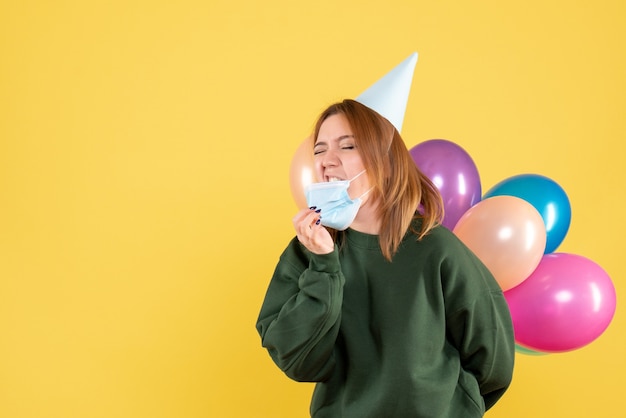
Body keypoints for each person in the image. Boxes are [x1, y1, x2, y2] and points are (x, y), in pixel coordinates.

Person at [256, 99, 515, 417]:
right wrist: (324, 265)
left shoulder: (436, 249)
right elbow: (295, 357)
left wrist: (450, 406)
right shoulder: (308, 248)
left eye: (347, 146)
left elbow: (493, 362)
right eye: (319, 149)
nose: (327, 161)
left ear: (385, 160)